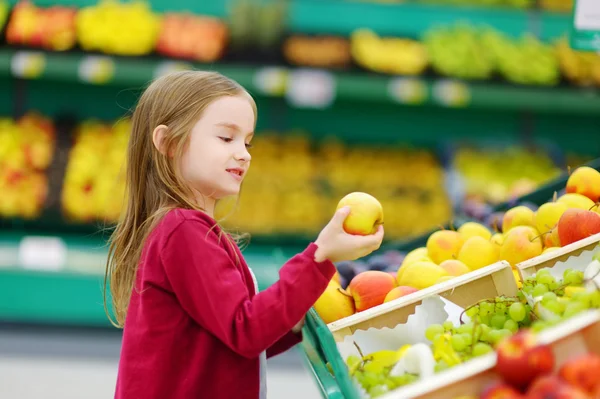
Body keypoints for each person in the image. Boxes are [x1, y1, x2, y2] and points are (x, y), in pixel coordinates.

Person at [104, 70, 384, 399]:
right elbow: (245, 330)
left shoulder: (184, 229)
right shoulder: (183, 231)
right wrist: (321, 256)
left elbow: (230, 340)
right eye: (226, 138)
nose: (244, 153)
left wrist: (299, 318)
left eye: (247, 142)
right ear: (168, 143)